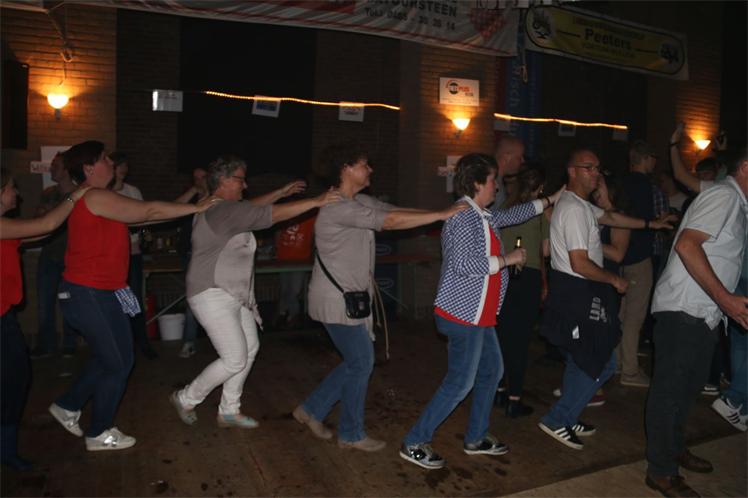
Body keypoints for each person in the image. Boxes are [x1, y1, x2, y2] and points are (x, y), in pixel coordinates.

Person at [294, 142, 466, 454]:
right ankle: (350, 433)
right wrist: (442, 214)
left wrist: (442, 215)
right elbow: (389, 222)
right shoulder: (338, 207)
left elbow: (394, 212)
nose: (370, 169)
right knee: (361, 362)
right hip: (335, 300)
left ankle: (311, 409)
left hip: (349, 299)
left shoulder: (358, 201)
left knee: (355, 362)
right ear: (346, 168)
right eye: (364, 164)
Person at [47, 140, 217, 452]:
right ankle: (98, 432)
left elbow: (149, 216)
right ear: (88, 168)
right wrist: (197, 207)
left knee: (111, 358)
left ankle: (68, 405)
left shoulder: (101, 197)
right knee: (118, 363)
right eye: (104, 159)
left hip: (103, 292)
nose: (111, 163)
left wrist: (193, 199)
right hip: (88, 292)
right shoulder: (95, 195)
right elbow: (149, 210)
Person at [400, 153, 562, 470]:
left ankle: (475, 437)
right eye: (492, 181)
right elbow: (463, 264)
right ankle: (414, 441)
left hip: (480, 316)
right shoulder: (463, 216)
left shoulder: (483, 215)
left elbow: (514, 214)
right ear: (476, 183)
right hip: (463, 316)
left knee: (491, 372)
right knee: (460, 383)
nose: (497, 187)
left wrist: (551, 199)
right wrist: (507, 260)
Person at [169, 155, 339, 430]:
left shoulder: (224, 206)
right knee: (234, 358)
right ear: (224, 181)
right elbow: (268, 215)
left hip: (235, 294)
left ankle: (229, 410)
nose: (245, 185)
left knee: (249, 348)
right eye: (240, 179)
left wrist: (280, 192)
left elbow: (252, 207)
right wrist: (316, 202)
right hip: (211, 292)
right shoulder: (221, 211)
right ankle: (186, 398)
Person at [538, 149, 673, 451]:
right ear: (572, 171)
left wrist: (651, 225)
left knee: (582, 359)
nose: (596, 173)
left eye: (597, 168)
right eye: (589, 168)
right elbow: (579, 263)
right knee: (603, 361)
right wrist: (613, 279)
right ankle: (557, 418)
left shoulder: (580, 205)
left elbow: (611, 217)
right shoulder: (573, 209)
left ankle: (567, 415)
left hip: (579, 291)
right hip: (576, 291)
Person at [645, 146, 748, 497]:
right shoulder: (724, 197)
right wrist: (726, 299)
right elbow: (687, 245)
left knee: (686, 391)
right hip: (684, 309)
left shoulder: (734, 203)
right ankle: (661, 471)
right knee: (670, 392)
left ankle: (674, 449)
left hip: (703, 313)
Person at [1, 167, 90, 470]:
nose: (17, 192)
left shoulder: (6, 226)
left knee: (15, 380)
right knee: (12, 381)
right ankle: (6, 452)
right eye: (11, 187)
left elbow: (43, 230)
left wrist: (69, 215)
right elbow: (47, 223)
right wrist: (78, 194)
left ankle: (6, 451)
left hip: (5, 318)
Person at [670, 123, 746, 423]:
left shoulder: (731, 195)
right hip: (728, 285)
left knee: (737, 344)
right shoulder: (723, 193)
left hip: (730, 281)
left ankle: (736, 398)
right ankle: (735, 397)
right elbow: (683, 177)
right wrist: (673, 146)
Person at [494, 164, 550, 418]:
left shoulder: (505, 209)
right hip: (527, 277)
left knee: (502, 336)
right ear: (540, 187)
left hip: (503, 273)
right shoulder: (540, 213)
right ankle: (514, 399)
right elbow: (546, 250)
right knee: (520, 340)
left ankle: (498, 390)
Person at [617, 140, 661, 388]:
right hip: (637, 256)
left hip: (620, 256)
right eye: (653, 157)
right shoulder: (644, 185)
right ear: (645, 158)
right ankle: (630, 371)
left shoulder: (623, 182)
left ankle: (618, 363)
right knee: (634, 317)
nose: (655, 162)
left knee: (622, 314)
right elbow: (641, 221)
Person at [30, 152, 80, 358]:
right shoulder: (48, 192)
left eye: (55, 166)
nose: (51, 169)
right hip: (49, 255)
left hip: (71, 257)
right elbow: (38, 219)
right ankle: (46, 345)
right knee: (45, 303)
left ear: (67, 170)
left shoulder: (79, 193)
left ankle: (69, 344)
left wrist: (53, 211)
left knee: (69, 303)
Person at [109, 152, 157, 359]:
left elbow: (143, 218)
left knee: (134, 298)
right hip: (111, 255)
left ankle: (142, 342)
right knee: (114, 300)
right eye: (119, 165)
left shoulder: (133, 191)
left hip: (132, 252)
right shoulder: (105, 193)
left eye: (125, 165)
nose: (123, 169)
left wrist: (145, 232)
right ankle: (120, 344)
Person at [174, 167, 208, 358]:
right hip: (190, 255)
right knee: (193, 297)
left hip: (211, 256)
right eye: (195, 178)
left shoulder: (217, 200)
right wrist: (194, 191)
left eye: (202, 177)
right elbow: (172, 209)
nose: (198, 181)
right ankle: (189, 341)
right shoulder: (190, 198)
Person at [493, 136, 526, 207]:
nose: (522, 161)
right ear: (507, 158)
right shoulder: (493, 185)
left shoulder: (497, 181)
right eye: (519, 157)